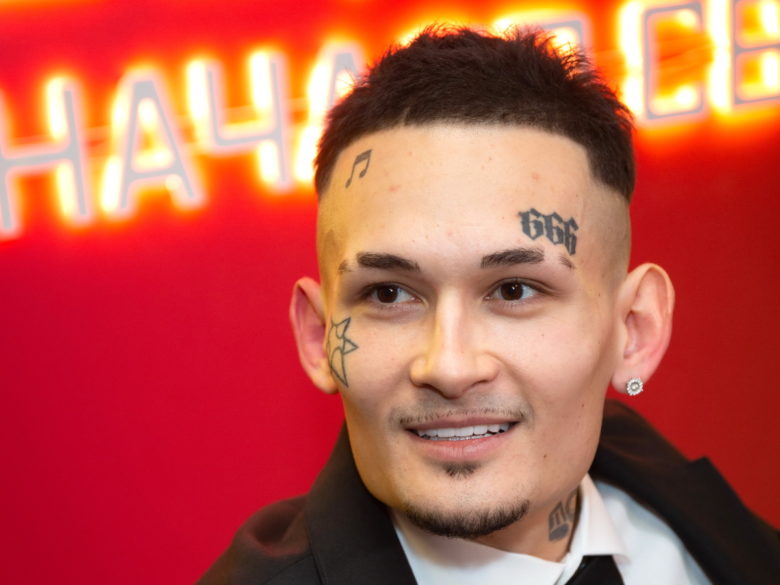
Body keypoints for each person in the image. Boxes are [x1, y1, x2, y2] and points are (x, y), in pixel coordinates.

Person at [197, 26, 779, 585]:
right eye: (389, 293)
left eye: (514, 290)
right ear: (317, 336)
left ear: (635, 331)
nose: (450, 367)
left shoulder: (698, 518)